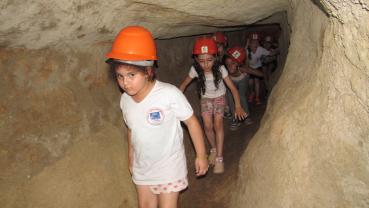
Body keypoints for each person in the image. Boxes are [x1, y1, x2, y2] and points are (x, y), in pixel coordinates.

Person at [105, 26, 209, 208]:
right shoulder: (125, 100)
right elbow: (132, 129)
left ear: (148, 71)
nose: (125, 82)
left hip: (169, 168)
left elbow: (192, 122)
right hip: (143, 168)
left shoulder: (169, 94)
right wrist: (131, 156)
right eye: (120, 76)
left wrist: (201, 155)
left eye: (131, 75)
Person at [179, 37, 247, 174]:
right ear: (196, 60)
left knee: (218, 124)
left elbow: (233, 88)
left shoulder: (221, 69)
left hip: (220, 97)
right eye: (201, 61)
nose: (205, 64)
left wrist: (238, 105)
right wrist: (174, 100)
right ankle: (214, 149)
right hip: (205, 98)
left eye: (209, 60)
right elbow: (184, 84)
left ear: (215, 57)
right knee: (207, 126)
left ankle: (220, 158)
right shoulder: (195, 69)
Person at [224, 46, 252, 130]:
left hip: (242, 79)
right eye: (228, 64)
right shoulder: (224, 69)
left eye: (233, 63)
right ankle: (235, 118)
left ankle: (246, 116)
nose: (230, 66)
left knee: (241, 95)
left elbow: (256, 72)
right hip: (232, 81)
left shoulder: (242, 69)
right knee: (229, 94)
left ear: (238, 63)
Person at [245, 33, 270, 105]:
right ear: (250, 43)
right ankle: (252, 93)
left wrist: (277, 51)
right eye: (253, 42)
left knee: (257, 82)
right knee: (250, 83)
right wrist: (247, 70)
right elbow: (246, 62)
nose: (255, 44)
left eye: (256, 42)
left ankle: (257, 97)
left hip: (258, 66)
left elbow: (269, 53)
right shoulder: (247, 50)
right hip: (250, 68)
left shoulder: (260, 49)